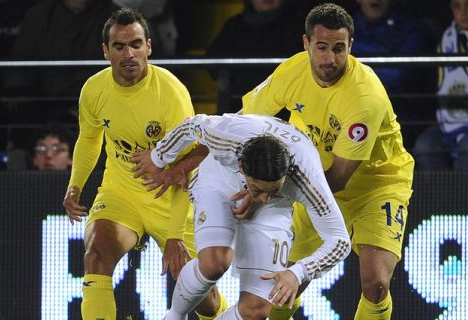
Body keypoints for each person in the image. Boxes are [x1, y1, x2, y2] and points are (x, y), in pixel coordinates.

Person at [241, 3, 414, 319]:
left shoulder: (365, 97)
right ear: (306, 44)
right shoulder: (291, 72)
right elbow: (244, 122)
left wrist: (266, 193)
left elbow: (337, 179)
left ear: (351, 46)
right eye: (321, 47)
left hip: (376, 185)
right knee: (282, 285)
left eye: (338, 49)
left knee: (376, 284)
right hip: (310, 178)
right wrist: (200, 156)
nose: (330, 58)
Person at [62, 8, 226, 320]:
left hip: (172, 200)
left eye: (136, 44)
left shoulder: (171, 94)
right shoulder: (94, 90)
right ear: (106, 51)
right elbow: (89, 139)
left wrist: (175, 234)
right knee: (96, 255)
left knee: (207, 301)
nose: (129, 54)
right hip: (122, 192)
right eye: (120, 46)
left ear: (149, 47)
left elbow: (188, 166)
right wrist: (75, 186)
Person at [130, 113, 350, 319]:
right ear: (242, 167)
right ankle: (174, 316)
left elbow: (340, 242)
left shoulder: (307, 181)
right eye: (259, 190)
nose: (263, 199)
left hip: (277, 208)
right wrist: (158, 156)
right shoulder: (225, 138)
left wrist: (299, 272)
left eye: (273, 188)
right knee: (214, 262)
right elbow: (191, 124)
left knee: (257, 310)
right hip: (219, 183)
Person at [351, 0, 437, 148]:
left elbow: (400, 75)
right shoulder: (343, 27)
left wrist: (355, 66)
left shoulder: (411, 26)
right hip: (354, 110)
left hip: (403, 115)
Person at [205, 0, 304, 116]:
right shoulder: (234, 26)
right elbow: (213, 63)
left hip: (285, 108)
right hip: (240, 106)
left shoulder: (298, 26)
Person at [413, 0, 468, 170]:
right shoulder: (445, 39)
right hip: (447, 124)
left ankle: (463, 197)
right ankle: (440, 196)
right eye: (457, 6)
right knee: (424, 146)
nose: (463, 12)